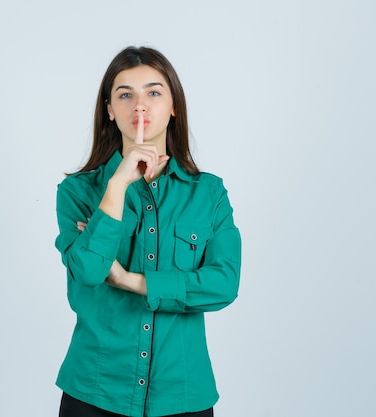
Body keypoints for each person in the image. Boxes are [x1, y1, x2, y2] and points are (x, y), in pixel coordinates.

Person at [54, 46, 241, 417]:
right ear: (109, 109)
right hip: (95, 392)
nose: (140, 106)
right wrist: (118, 184)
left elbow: (223, 285)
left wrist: (131, 280)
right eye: (125, 95)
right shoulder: (78, 192)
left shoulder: (209, 193)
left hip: (182, 395)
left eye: (154, 92)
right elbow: (89, 271)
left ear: (174, 106)